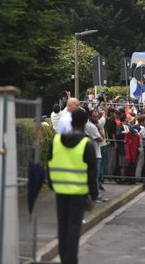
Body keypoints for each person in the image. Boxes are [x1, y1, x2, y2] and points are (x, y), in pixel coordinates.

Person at [47, 108, 98, 264]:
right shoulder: (86, 144)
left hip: (60, 191)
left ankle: (64, 260)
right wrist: (93, 196)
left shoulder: (56, 141)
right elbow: (91, 174)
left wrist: (52, 185)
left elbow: (48, 165)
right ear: (84, 123)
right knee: (74, 227)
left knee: (62, 227)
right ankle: (71, 260)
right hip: (78, 193)